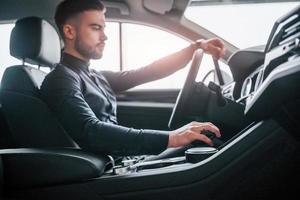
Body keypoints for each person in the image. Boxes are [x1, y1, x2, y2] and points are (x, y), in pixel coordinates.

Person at [40, 0, 225, 157]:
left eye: (104, 28)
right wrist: (173, 137)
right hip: (100, 174)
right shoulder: (60, 79)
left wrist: (194, 49)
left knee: (205, 146)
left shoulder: (94, 75)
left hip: (117, 160)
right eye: (96, 28)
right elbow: (91, 131)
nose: (104, 36)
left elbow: (149, 72)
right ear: (69, 32)